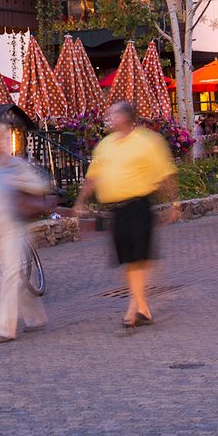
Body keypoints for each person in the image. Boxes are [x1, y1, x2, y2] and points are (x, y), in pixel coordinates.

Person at [72, 101, 177, 329]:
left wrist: (174, 203)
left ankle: (133, 309)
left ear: (126, 118)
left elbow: (165, 175)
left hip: (138, 205)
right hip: (116, 210)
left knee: (138, 259)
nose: (109, 119)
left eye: (113, 115)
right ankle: (143, 308)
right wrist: (79, 202)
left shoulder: (147, 141)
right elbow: (93, 177)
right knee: (128, 261)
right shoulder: (106, 145)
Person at [0, 118, 50, 342]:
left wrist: (16, 180)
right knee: (11, 276)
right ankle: (35, 317)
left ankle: (4, 328)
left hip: (16, 229)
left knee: (11, 276)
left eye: (1, 138)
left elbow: (39, 185)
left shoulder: (16, 165)